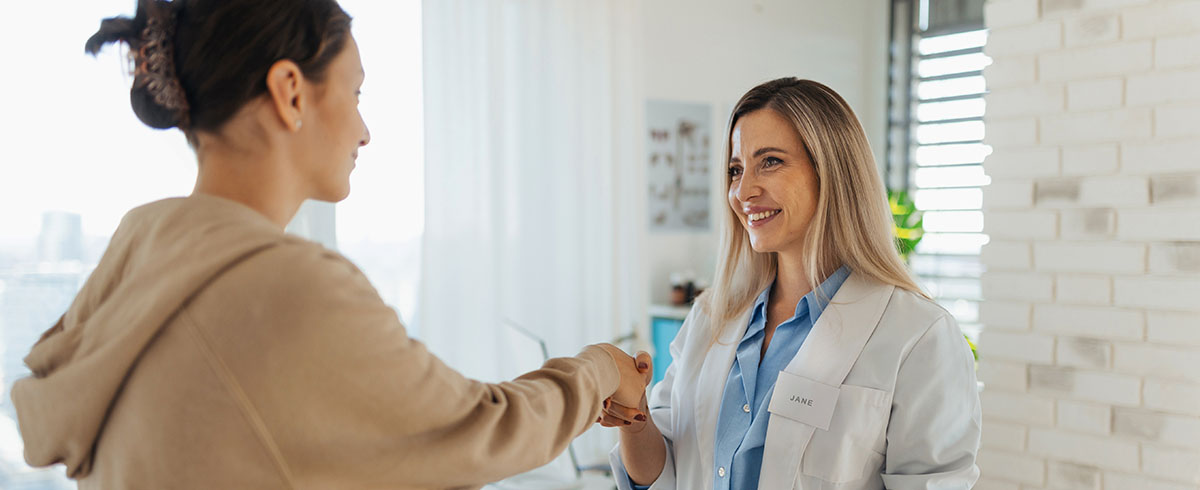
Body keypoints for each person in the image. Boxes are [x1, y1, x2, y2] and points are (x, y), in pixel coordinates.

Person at [10, 1, 651, 488]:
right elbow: (481, 429)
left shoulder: (136, 264)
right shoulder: (285, 287)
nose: (365, 130)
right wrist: (599, 367)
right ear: (291, 91)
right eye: (356, 92)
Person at [599, 78, 981, 490]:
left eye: (771, 162)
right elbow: (666, 471)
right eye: (736, 169)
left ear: (832, 172)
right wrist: (636, 418)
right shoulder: (712, 315)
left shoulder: (919, 336)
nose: (743, 190)